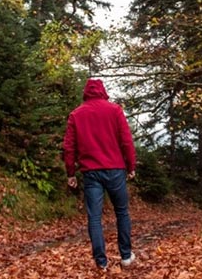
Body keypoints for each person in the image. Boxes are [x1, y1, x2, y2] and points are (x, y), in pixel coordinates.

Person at [63, 79, 137, 270]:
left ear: (86, 93)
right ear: (103, 91)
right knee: (121, 212)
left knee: (94, 218)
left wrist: (71, 173)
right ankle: (126, 257)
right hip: (115, 170)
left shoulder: (76, 115)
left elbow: (69, 147)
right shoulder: (115, 110)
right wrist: (131, 166)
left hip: (91, 173)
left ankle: (101, 263)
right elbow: (126, 141)